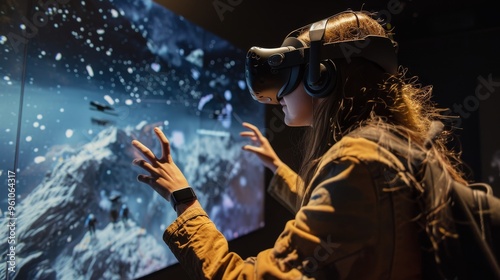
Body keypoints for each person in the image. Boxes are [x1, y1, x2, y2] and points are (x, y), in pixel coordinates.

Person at [132, 10, 468, 279]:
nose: (278, 93)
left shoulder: (360, 163)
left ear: (321, 76)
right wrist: (277, 167)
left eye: (291, 71)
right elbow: (341, 224)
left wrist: (184, 201)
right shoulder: (388, 149)